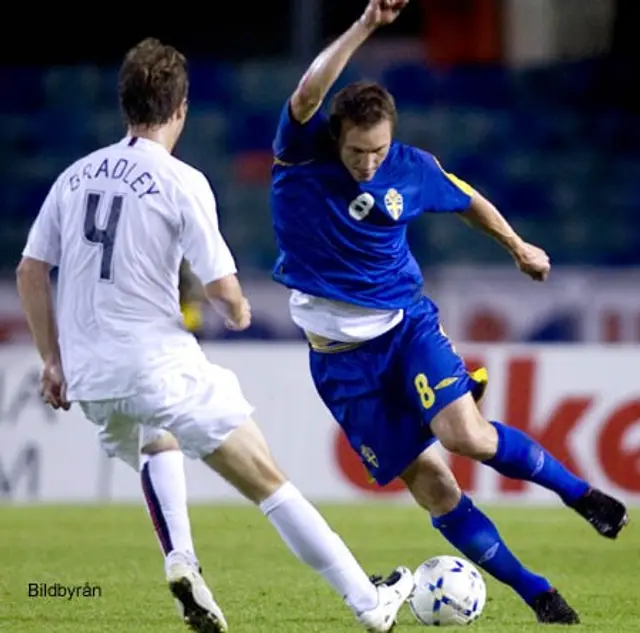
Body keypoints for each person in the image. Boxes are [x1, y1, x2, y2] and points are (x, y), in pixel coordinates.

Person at [15, 37, 415, 633]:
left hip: (92, 376)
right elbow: (221, 284)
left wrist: (51, 361)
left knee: (157, 442)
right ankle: (369, 602)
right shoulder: (180, 180)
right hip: (157, 361)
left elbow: (30, 270)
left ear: (126, 103)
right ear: (181, 108)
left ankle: (181, 558)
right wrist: (236, 308)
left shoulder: (74, 179)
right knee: (268, 482)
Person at [269, 0, 629, 625]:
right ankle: (535, 592)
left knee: (467, 437)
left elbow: (467, 200)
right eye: (357, 151)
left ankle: (584, 496)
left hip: (406, 328)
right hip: (340, 366)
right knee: (433, 485)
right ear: (337, 138)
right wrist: (366, 26)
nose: (368, 162)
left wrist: (517, 246)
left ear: (392, 138)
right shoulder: (302, 153)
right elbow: (306, 91)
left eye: (378, 149)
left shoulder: (410, 168)